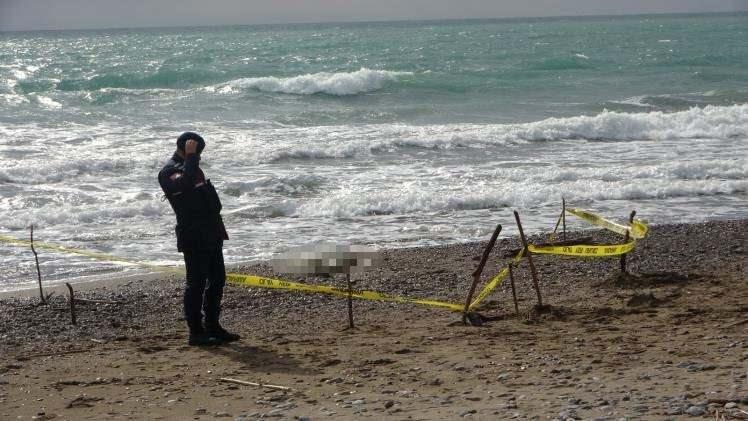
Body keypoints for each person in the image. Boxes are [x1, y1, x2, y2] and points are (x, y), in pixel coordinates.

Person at [158, 132, 240, 346]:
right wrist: (191, 156)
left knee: (217, 279)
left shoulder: (191, 167)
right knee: (196, 283)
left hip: (211, 231)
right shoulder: (169, 171)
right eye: (196, 153)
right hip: (193, 235)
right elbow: (184, 185)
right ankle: (196, 331)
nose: (199, 157)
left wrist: (193, 158)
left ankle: (213, 326)